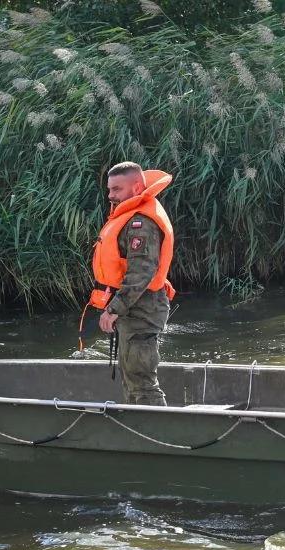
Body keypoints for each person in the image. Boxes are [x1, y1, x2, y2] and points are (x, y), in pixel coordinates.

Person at [87, 161, 175, 406]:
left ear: (136, 187)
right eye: (109, 190)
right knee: (131, 378)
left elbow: (141, 273)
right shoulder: (128, 216)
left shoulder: (141, 223)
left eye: (116, 189)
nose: (110, 195)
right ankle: (137, 429)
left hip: (143, 309)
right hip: (133, 310)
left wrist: (114, 309)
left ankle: (157, 436)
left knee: (142, 382)